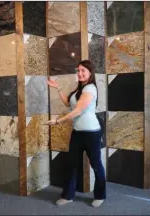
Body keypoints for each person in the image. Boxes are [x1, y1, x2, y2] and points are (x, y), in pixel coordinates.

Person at [47, 60, 106, 208]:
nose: (79, 73)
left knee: (96, 165)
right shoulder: (80, 88)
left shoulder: (90, 89)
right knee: (71, 164)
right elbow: (68, 103)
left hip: (92, 133)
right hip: (77, 133)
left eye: (83, 71)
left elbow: (78, 110)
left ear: (90, 73)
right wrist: (57, 88)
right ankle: (68, 196)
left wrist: (58, 121)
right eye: (78, 70)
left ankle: (100, 195)